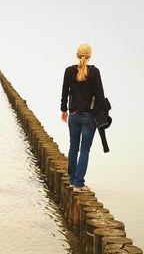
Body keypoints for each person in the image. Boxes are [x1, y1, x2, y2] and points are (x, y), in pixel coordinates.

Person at [60, 43, 105, 192]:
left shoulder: (68, 71)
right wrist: (103, 112)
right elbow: (100, 96)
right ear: (90, 55)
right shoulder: (94, 72)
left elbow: (64, 93)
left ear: (77, 54)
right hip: (88, 117)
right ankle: (79, 184)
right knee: (84, 150)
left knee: (73, 147)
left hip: (73, 115)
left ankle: (73, 181)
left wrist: (63, 110)